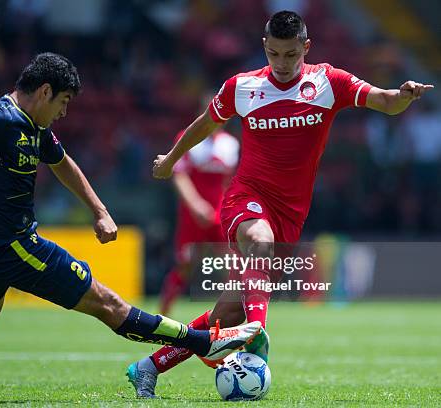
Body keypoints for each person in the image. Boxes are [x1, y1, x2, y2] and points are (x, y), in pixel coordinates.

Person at [0, 52, 263, 396]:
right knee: (108, 305)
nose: (63, 112)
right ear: (44, 91)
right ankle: (202, 342)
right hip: (14, 246)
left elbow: (63, 164)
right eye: (63, 102)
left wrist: (99, 210)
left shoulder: (33, 127)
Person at [127, 10, 434, 398]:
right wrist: (170, 160)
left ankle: (148, 367)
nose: (283, 63)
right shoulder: (241, 87)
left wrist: (402, 96)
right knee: (261, 241)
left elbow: (384, 101)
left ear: (305, 48)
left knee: (224, 316)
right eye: (274, 54)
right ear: (264, 48)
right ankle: (257, 334)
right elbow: (205, 124)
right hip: (246, 198)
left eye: (291, 54)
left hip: (291, 215)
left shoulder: (328, 81)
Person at [159, 127, 239, 316]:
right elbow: (179, 174)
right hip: (192, 214)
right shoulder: (188, 138)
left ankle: (233, 317)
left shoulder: (230, 144)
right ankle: (163, 316)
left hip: (220, 213)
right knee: (185, 264)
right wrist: (195, 205)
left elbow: (230, 180)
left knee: (232, 264)